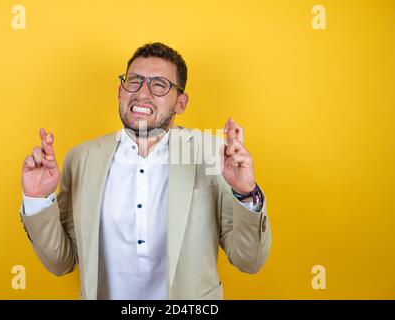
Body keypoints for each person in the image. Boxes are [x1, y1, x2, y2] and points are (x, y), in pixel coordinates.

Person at [20, 42, 271, 300]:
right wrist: (37, 200)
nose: (142, 93)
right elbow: (62, 262)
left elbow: (249, 261)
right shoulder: (81, 159)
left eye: (160, 84)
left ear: (181, 103)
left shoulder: (213, 154)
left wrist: (245, 192)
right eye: (135, 81)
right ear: (120, 90)